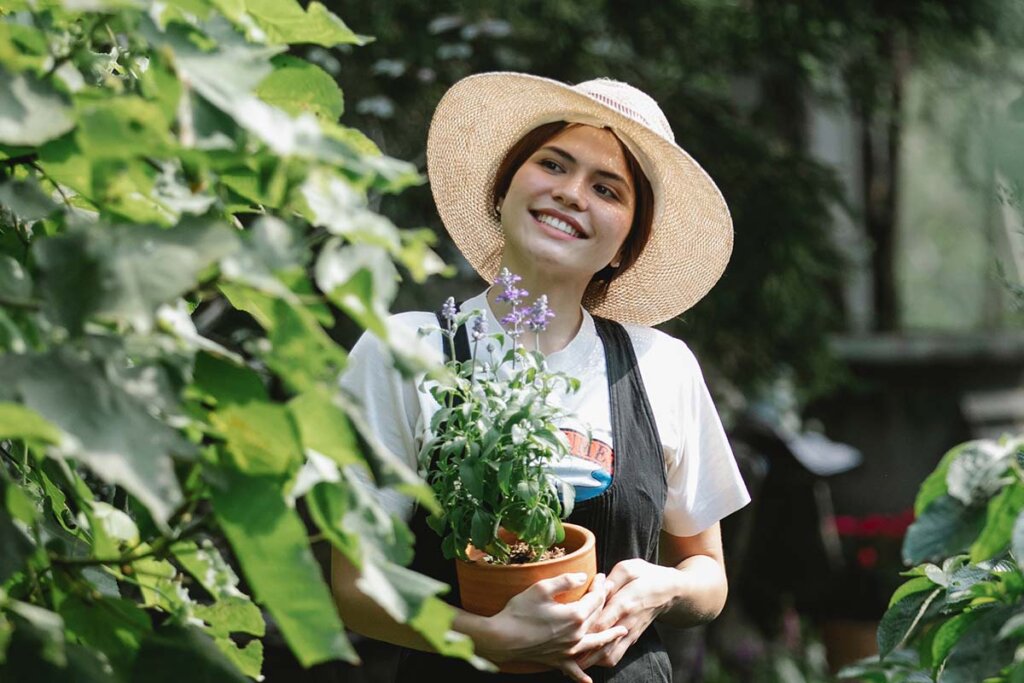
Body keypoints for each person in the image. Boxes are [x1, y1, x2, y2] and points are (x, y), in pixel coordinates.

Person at [331, 72, 750, 683]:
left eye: (608, 189)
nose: (572, 193)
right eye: (553, 164)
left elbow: (707, 578)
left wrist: (659, 589)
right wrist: (488, 638)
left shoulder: (662, 366)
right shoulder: (405, 350)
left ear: (625, 246)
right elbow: (355, 585)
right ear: (503, 190)